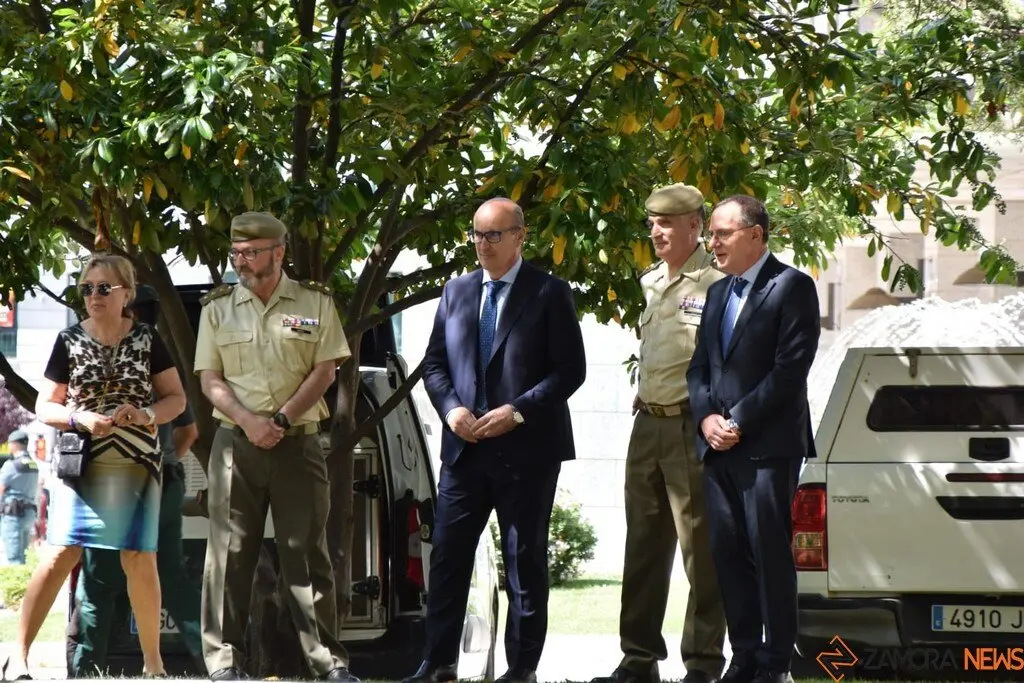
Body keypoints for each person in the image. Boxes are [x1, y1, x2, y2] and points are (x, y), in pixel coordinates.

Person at [403, 197, 587, 683]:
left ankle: (521, 668)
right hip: (465, 449)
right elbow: (435, 364)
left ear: (520, 236)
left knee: (523, 561)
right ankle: (437, 661)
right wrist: (451, 410)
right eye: (477, 235)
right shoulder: (458, 291)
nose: (483, 245)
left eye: (494, 235)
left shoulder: (549, 292)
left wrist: (518, 411)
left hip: (527, 450)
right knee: (447, 557)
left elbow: (571, 370)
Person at [3, 254, 187, 680]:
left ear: (127, 293)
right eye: (87, 288)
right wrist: (77, 417)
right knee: (59, 555)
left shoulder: (147, 338)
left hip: (137, 462)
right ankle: (19, 657)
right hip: (81, 460)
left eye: (104, 287)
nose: (94, 296)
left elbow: (175, 399)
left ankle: (154, 666)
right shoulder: (68, 340)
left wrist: (144, 414)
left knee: (140, 557)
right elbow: (44, 404)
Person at [193, 211, 356, 682]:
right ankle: (224, 662)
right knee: (227, 555)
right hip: (235, 445)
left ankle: (328, 663)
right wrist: (250, 421)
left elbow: (325, 371)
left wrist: (280, 421)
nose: (241, 261)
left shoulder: (315, 303)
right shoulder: (217, 308)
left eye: (250, 252)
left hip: (297, 444)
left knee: (305, 554)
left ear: (279, 252)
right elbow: (210, 379)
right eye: (236, 253)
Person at [592, 184, 727, 683]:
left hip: (690, 427)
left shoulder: (717, 285)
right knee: (643, 548)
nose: (656, 232)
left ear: (695, 225)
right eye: (652, 222)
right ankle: (638, 659)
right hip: (646, 423)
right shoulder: (649, 282)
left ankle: (704, 662)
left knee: (700, 550)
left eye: (666, 223)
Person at [686, 196, 820, 683]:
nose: (712, 243)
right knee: (728, 552)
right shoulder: (718, 293)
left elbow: (790, 371)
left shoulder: (792, 287)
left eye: (722, 233)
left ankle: (774, 662)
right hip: (716, 446)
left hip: (766, 447)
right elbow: (699, 366)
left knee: (768, 552)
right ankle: (742, 655)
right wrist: (705, 420)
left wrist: (736, 421)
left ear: (757, 236)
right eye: (711, 235)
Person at [68, 284, 204, 677]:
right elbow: (189, 431)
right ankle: (212, 663)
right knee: (174, 578)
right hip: (163, 480)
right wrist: (165, 462)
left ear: (129, 310)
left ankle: (85, 667)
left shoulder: (122, 359)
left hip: (118, 481)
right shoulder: (164, 367)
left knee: (99, 577)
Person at [0, 430, 40, 565]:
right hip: (28, 513)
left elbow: (0, 488)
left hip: (13, 515)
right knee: (22, 554)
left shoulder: (11, 465)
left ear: (14, 444)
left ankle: (17, 586)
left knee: (14, 557)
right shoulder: (33, 464)